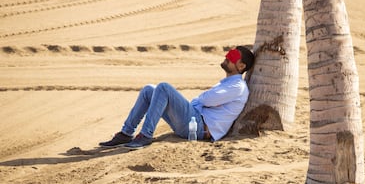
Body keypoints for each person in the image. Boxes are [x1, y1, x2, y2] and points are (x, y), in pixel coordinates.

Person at [99, 46, 255, 149]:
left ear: (241, 66)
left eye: (233, 56)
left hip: (199, 128)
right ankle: (126, 133)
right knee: (149, 90)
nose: (227, 56)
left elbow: (206, 100)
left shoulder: (237, 87)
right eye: (229, 52)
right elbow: (207, 100)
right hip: (193, 120)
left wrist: (202, 100)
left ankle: (146, 135)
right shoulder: (227, 83)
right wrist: (203, 101)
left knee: (164, 87)